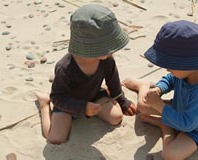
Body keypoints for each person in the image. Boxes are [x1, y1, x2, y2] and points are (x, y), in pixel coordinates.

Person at [122, 20, 198, 160]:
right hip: (179, 109)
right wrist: (158, 89)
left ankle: (166, 126)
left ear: (189, 64)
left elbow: (186, 125)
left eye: (171, 65)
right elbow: (170, 79)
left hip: (196, 130)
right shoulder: (188, 72)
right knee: (143, 106)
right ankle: (143, 85)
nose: (168, 69)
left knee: (170, 156)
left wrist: (160, 106)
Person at [36, 4, 137, 145]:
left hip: (94, 95)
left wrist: (121, 100)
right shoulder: (65, 67)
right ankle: (44, 105)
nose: (112, 50)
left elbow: (113, 81)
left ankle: (100, 103)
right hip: (68, 102)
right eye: (107, 46)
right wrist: (83, 108)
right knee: (55, 138)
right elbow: (57, 97)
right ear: (90, 47)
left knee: (116, 117)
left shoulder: (106, 59)